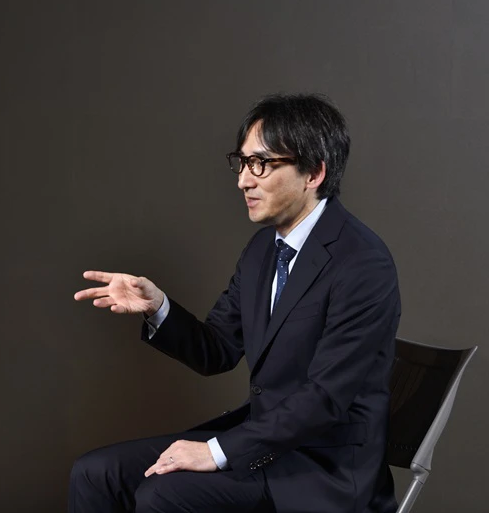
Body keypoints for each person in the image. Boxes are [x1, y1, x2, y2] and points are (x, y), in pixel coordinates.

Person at [71, 94, 399, 513]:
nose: (244, 181)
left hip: (323, 468)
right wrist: (158, 307)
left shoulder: (362, 262)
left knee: (162, 494)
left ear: (314, 173)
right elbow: (217, 350)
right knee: (95, 473)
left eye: (260, 164)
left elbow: (325, 399)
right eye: (241, 163)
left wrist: (216, 452)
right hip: (264, 441)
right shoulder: (263, 249)